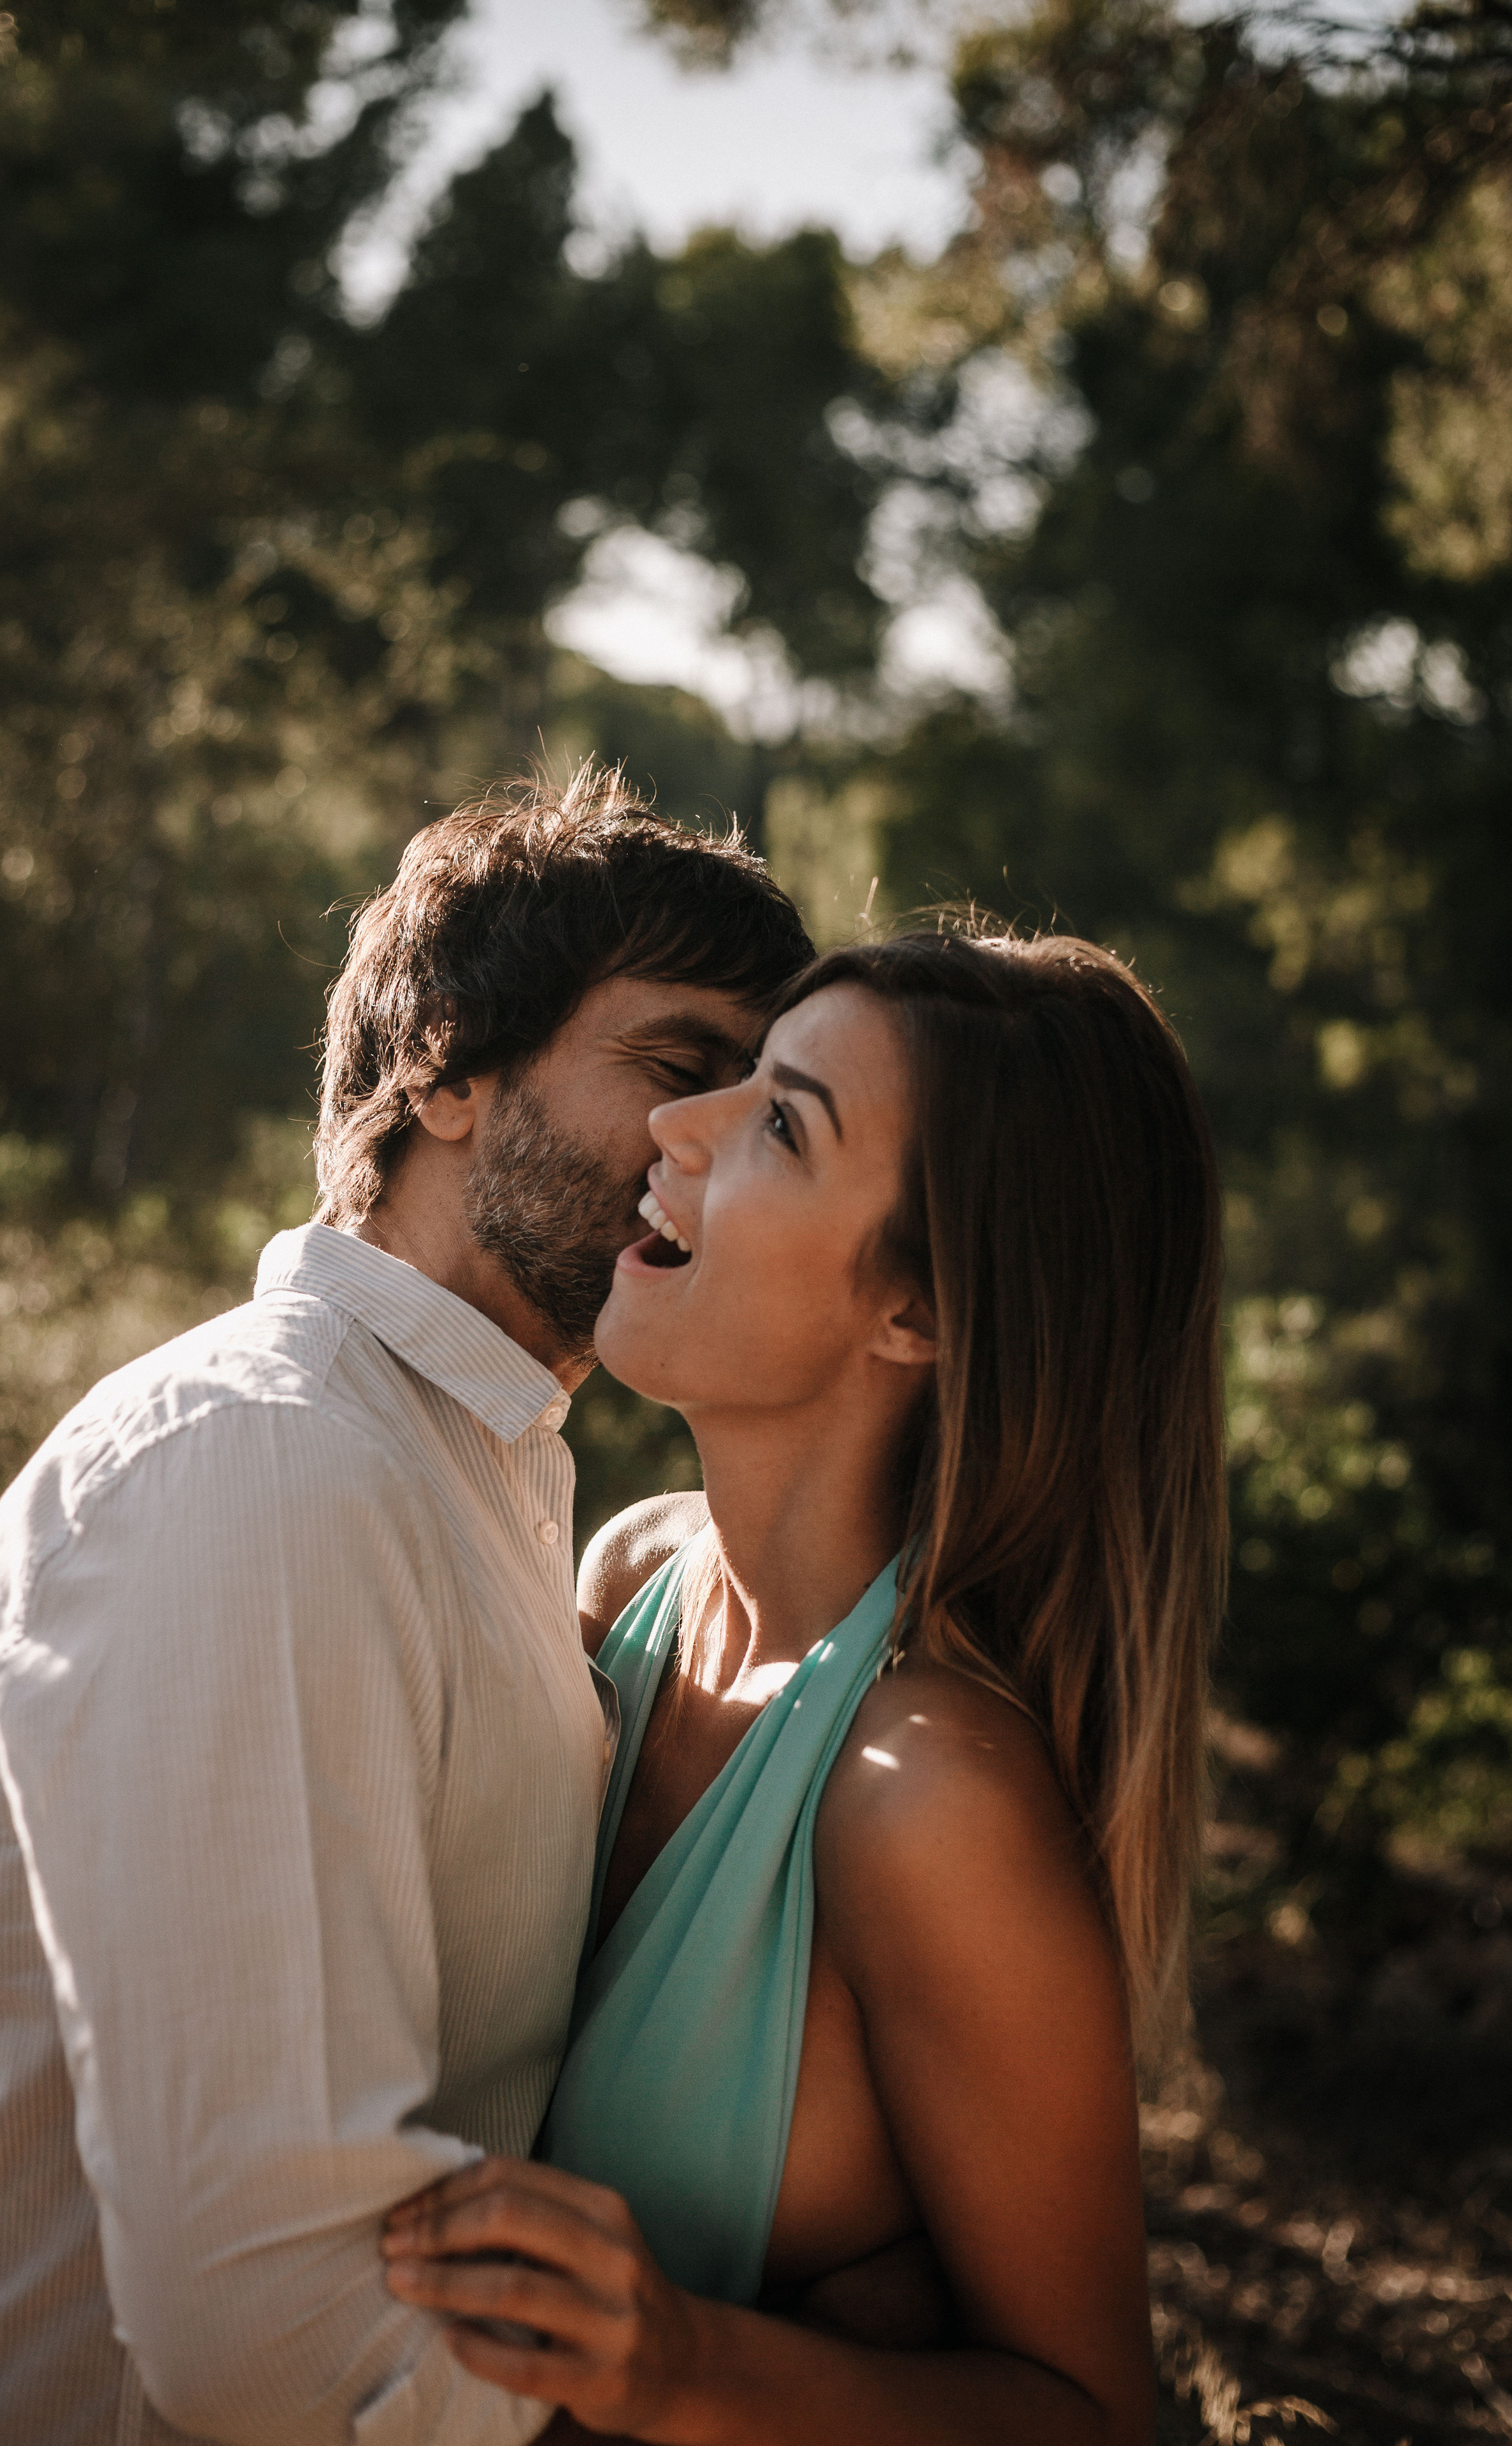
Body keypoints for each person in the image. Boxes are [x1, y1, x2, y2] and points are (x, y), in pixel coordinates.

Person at [0, 766, 812, 2446]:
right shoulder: (269, 1466)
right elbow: (274, 2327)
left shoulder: (484, 1472)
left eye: (760, 1110)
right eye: (678, 1071)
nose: (711, 1152)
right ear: (447, 1062)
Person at [380, 920, 1226, 2446]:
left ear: (922, 1310)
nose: (672, 1129)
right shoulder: (625, 1580)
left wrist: (683, 2367)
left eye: (778, 1120)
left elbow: (1089, 2413)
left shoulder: (926, 1799)